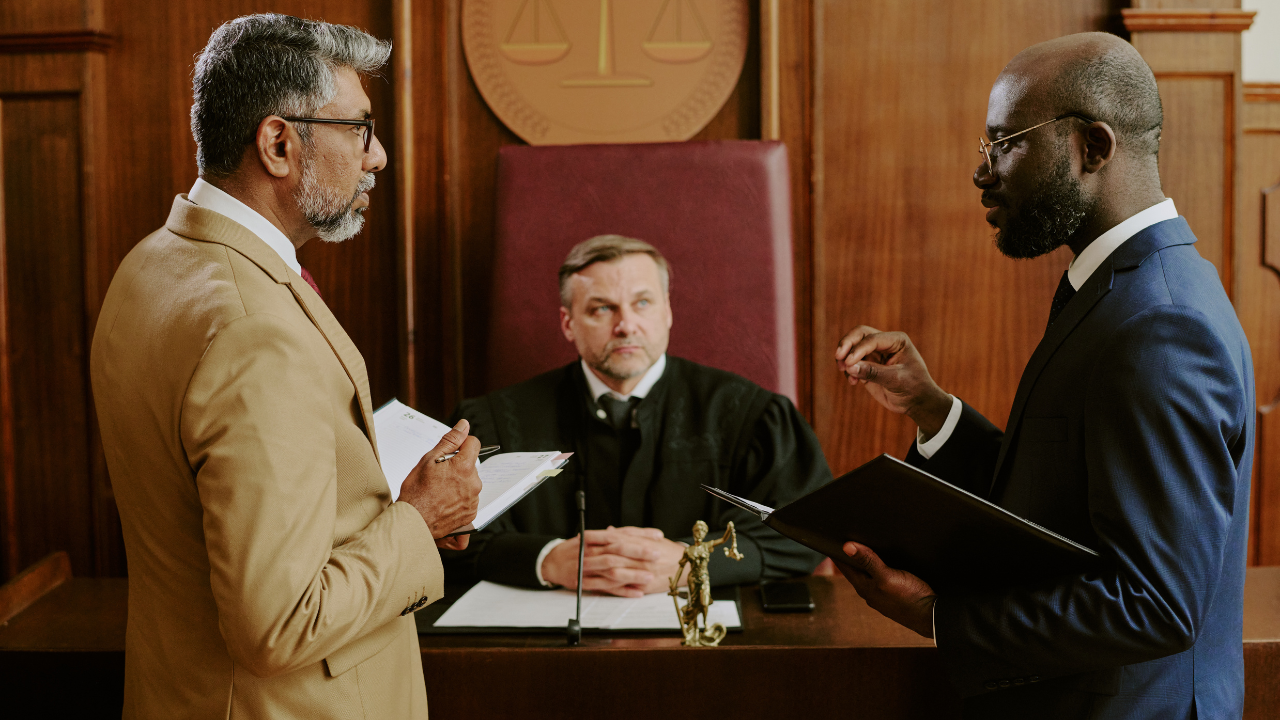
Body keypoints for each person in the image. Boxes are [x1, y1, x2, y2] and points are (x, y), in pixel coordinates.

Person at [833, 33, 1254, 719]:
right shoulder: (1118, 290)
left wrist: (938, 617)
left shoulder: (1162, 322)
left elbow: (1155, 604)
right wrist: (931, 408)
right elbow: (1068, 499)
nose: (983, 172)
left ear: (1093, 147)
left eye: (1005, 143)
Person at [90, 15, 482, 719]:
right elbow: (280, 624)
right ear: (278, 144)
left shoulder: (152, 263)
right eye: (359, 129)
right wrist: (419, 521)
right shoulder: (255, 333)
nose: (377, 156)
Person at [442, 235, 831, 596]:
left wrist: (691, 561)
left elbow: (807, 534)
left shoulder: (750, 414)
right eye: (602, 308)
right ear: (568, 324)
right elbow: (441, 535)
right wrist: (547, 560)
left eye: (642, 303)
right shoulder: (494, 420)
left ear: (668, 312)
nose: (626, 326)